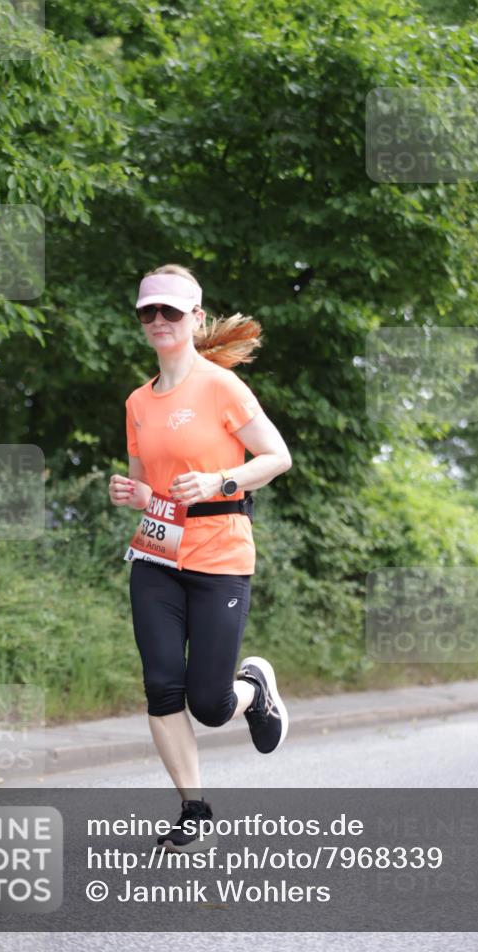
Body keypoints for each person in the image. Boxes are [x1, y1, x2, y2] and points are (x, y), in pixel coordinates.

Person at [109, 264, 292, 852]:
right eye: (148, 311)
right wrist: (133, 495)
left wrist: (219, 480)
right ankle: (193, 806)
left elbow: (276, 457)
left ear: (195, 318)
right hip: (158, 553)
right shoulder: (138, 402)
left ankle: (254, 688)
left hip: (220, 552)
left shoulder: (221, 386)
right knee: (162, 687)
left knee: (210, 706)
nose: (158, 320)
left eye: (170, 310)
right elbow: (150, 488)